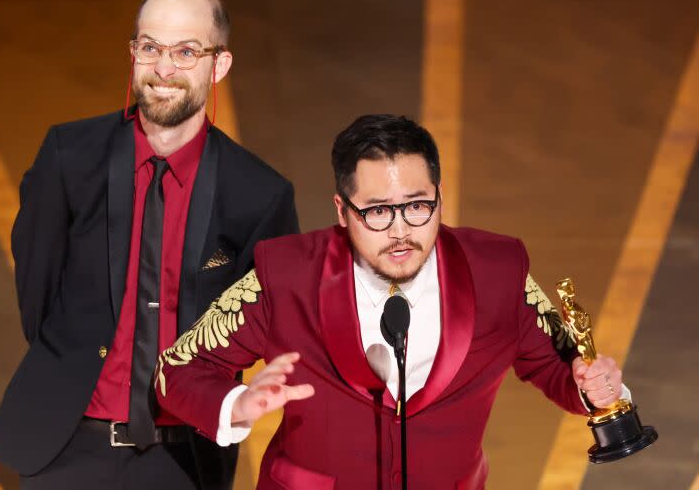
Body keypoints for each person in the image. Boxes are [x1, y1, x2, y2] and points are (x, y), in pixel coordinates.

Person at [153, 114, 626, 489]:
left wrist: (597, 388)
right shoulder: (285, 276)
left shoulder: (499, 272)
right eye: (378, 211)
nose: (400, 231)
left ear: (440, 197)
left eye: (417, 206)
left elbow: (560, 367)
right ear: (342, 210)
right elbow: (176, 370)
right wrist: (236, 405)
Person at [0, 0, 299, 490]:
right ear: (133, 52)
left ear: (218, 65)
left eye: (185, 52)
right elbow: (37, 294)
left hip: (183, 461)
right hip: (65, 447)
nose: (163, 69)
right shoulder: (69, 157)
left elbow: (263, 327)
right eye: (150, 48)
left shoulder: (259, 195)